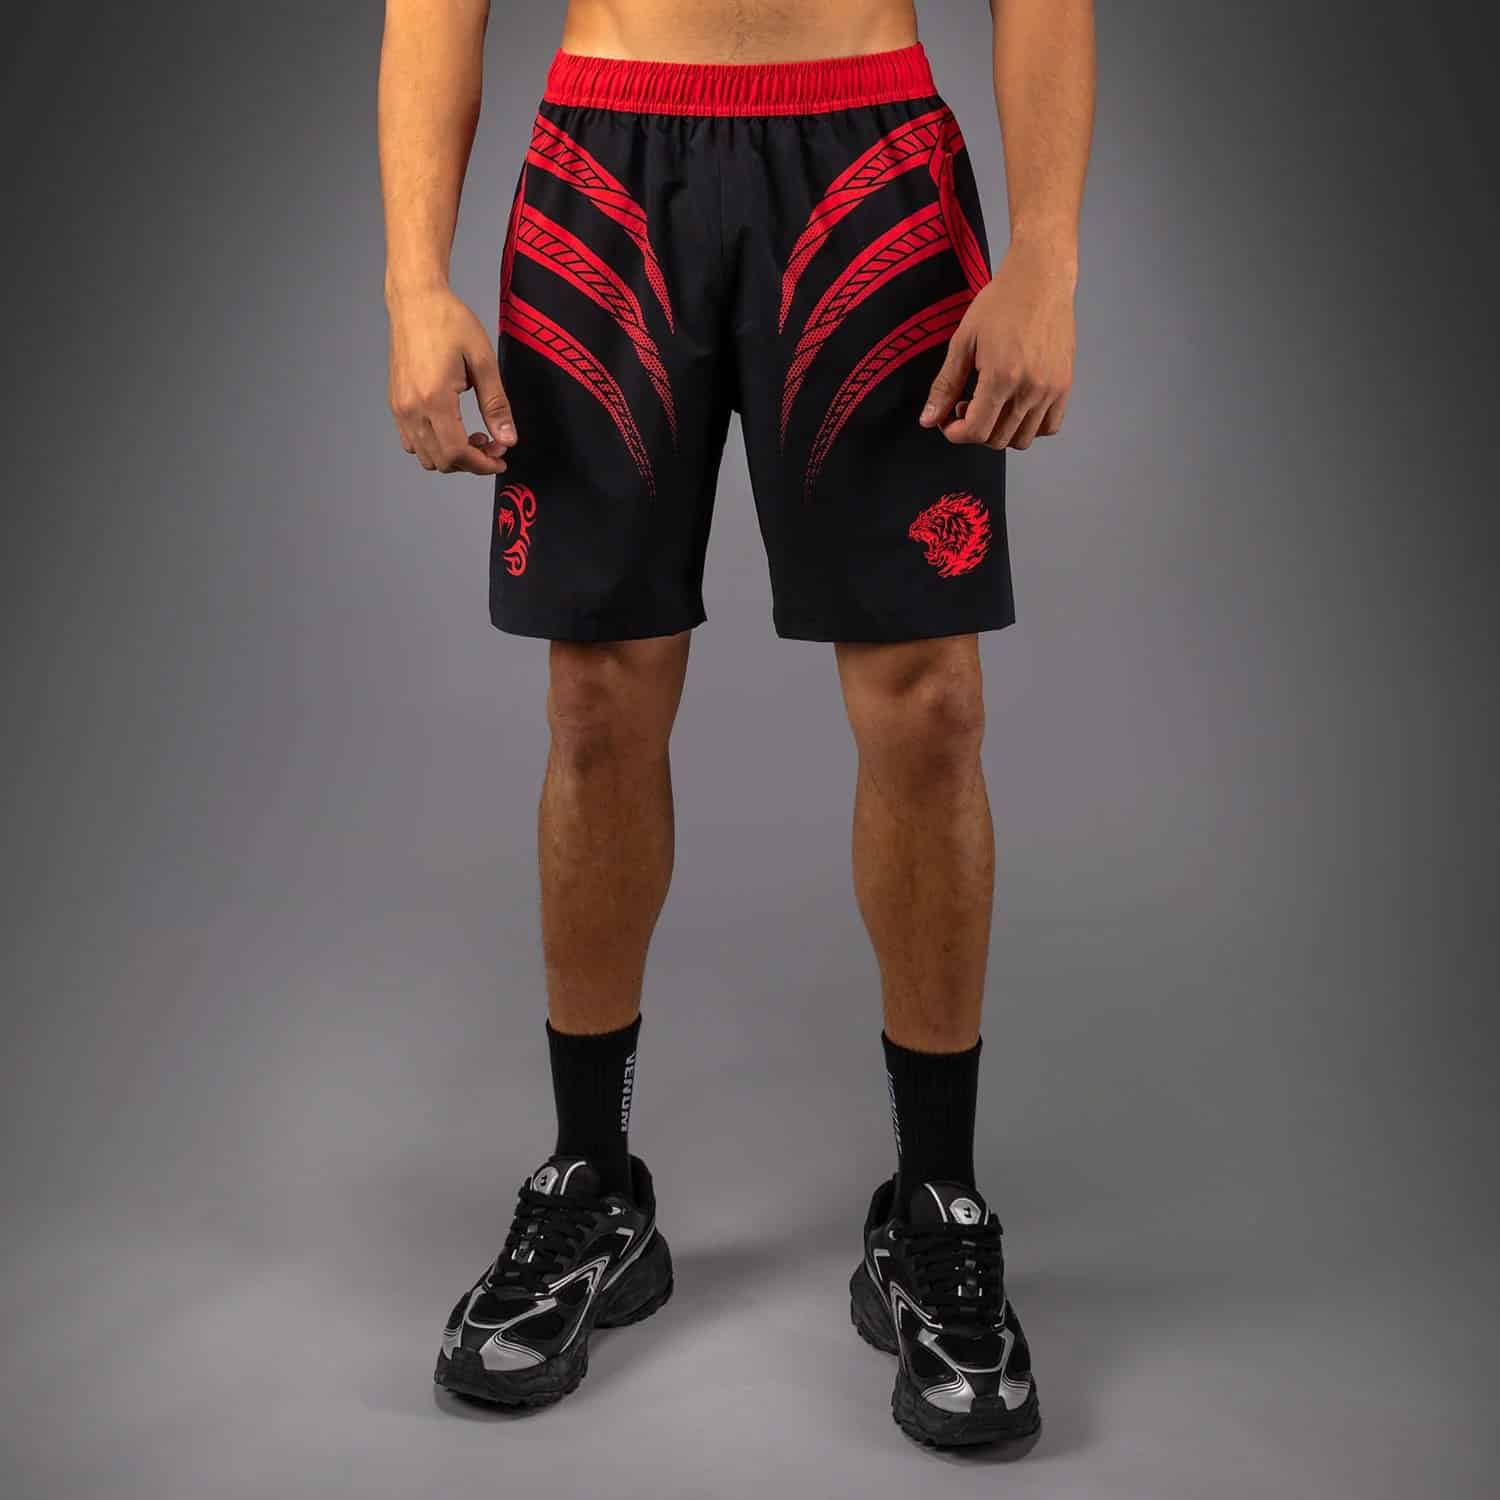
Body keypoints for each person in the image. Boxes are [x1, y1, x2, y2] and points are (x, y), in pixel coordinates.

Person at [379, 0, 1093, 1449]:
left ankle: (934, 1206)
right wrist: (412, 280)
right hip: (608, 165)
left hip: (870, 158)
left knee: (929, 703)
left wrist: (1047, 254)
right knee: (597, 694)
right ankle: (593, 1188)